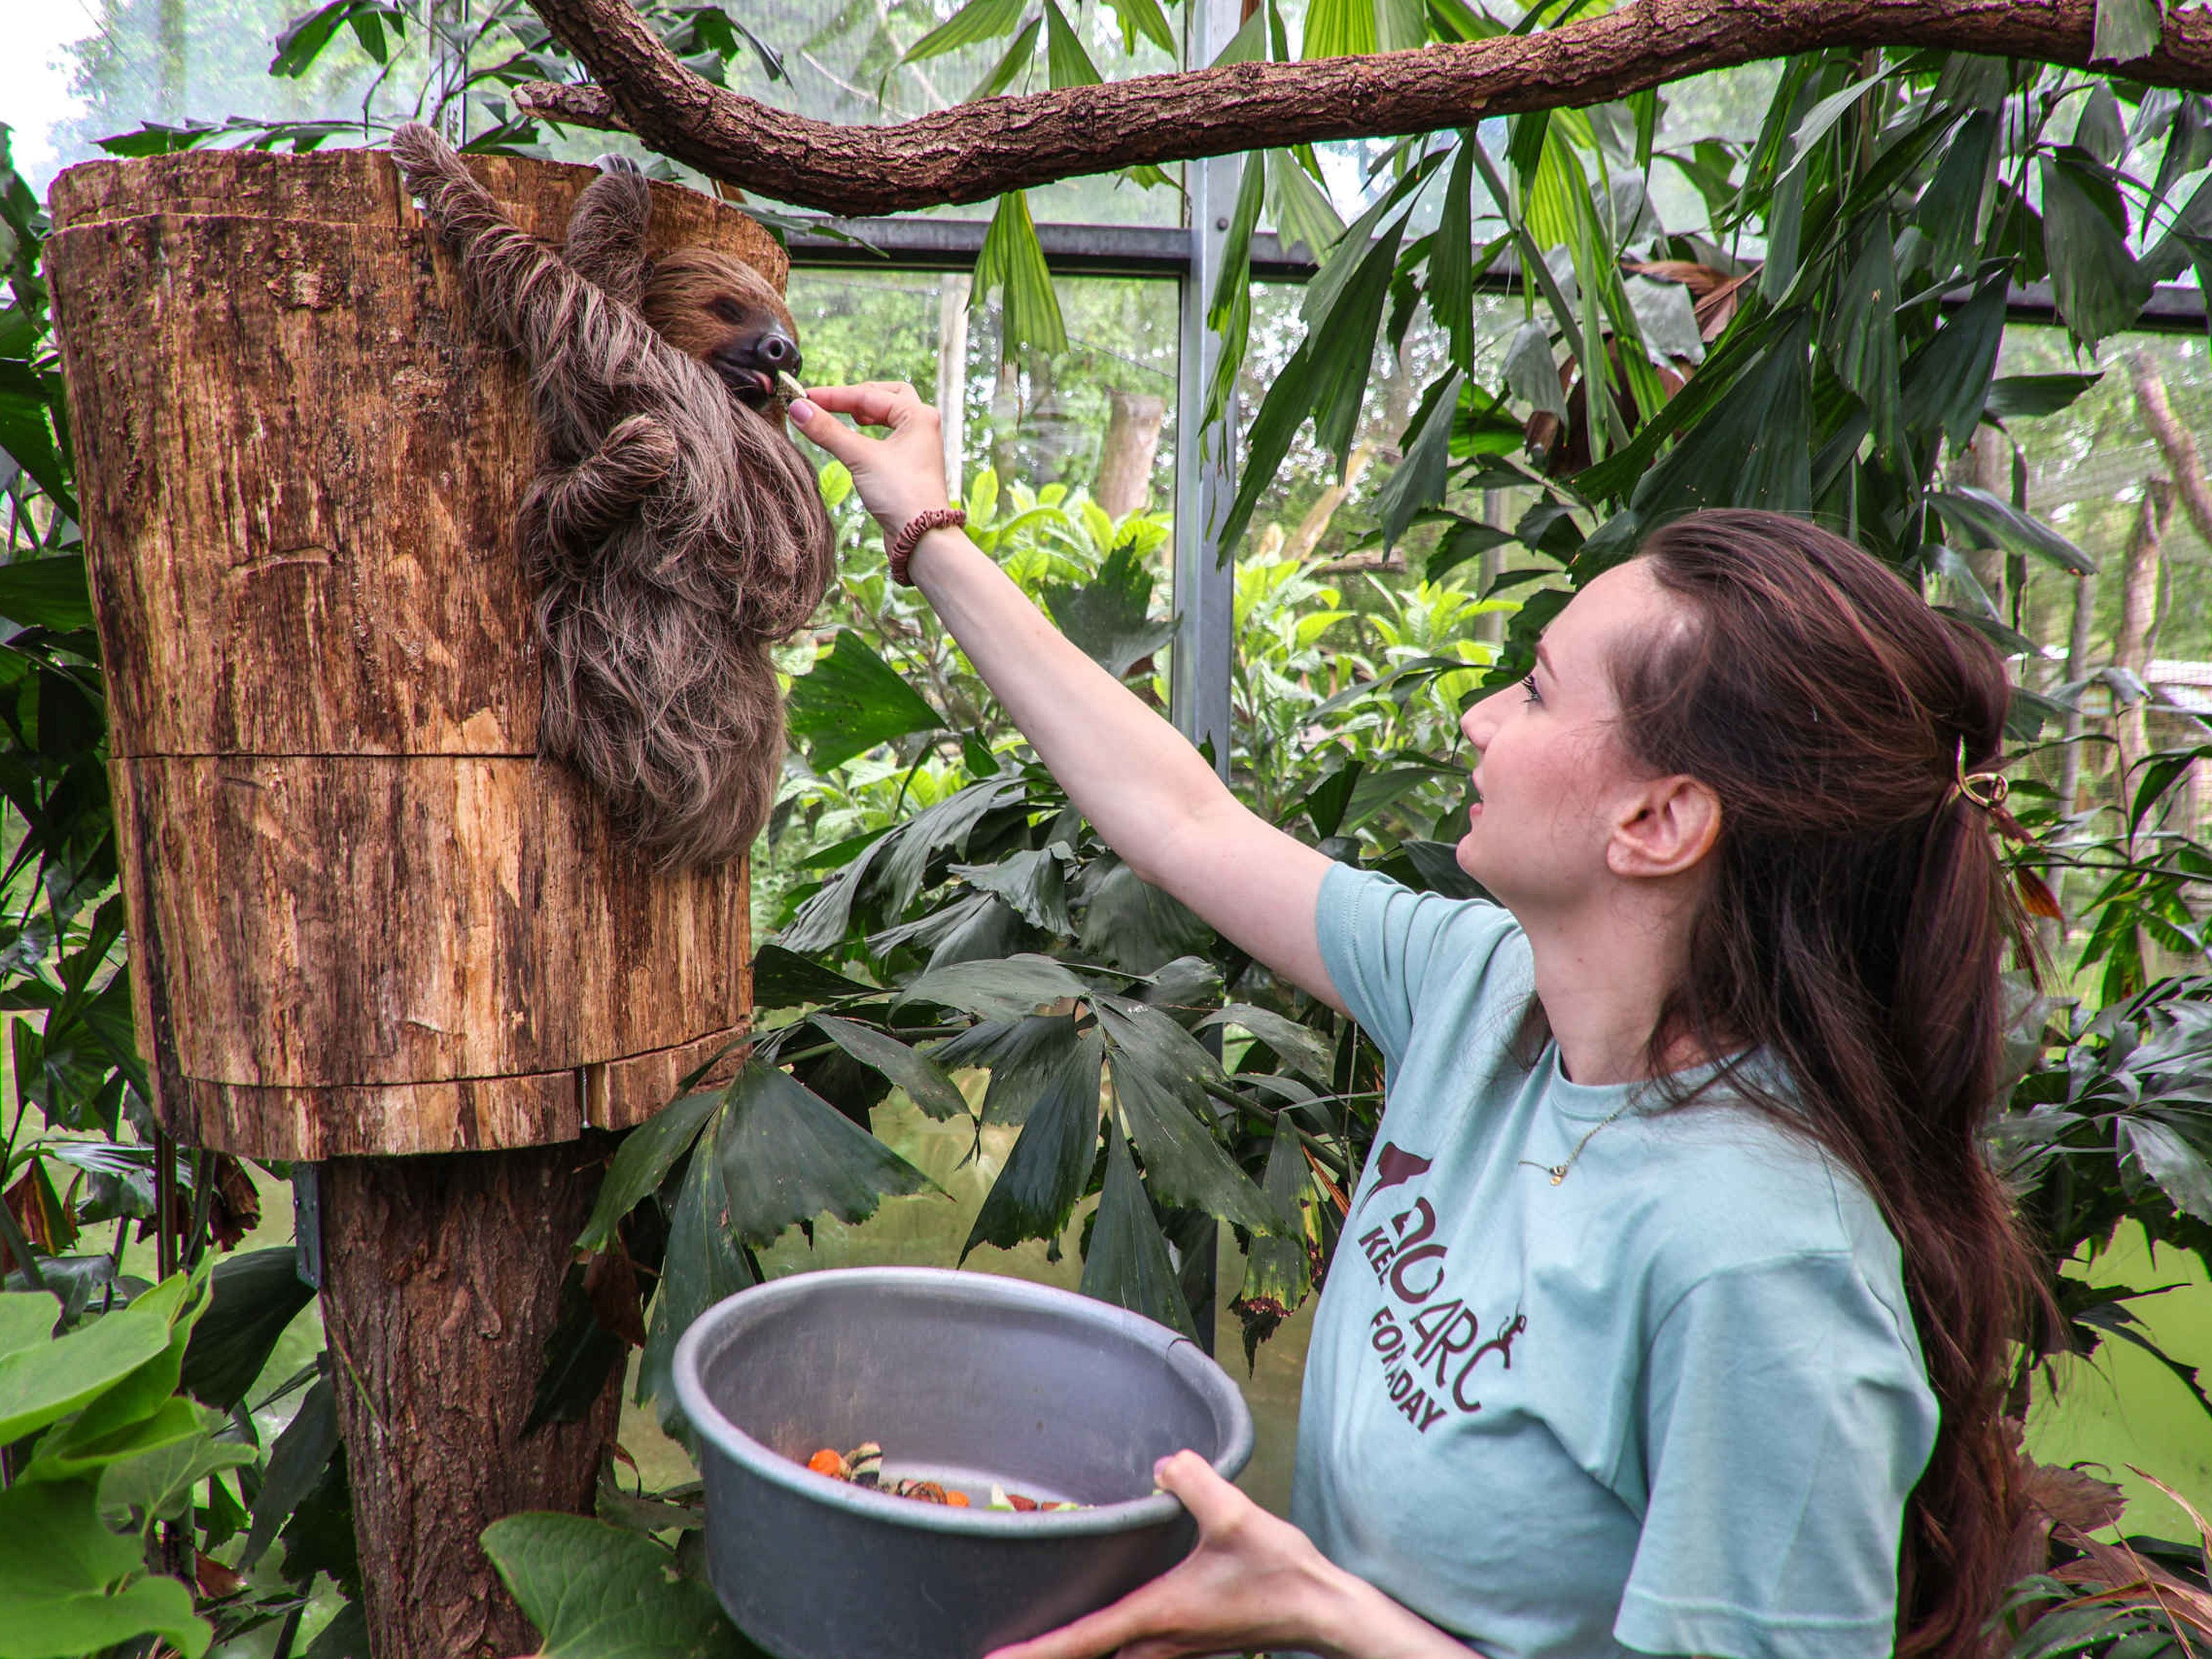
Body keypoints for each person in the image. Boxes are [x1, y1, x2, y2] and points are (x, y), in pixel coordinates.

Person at [787, 381, 2041, 1659]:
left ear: (1657, 823)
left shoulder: (1766, 1268)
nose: (1479, 717)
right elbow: (1183, 822)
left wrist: (1326, 1614)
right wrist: (928, 529)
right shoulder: (1489, 992)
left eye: (1540, 692)